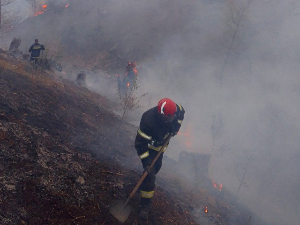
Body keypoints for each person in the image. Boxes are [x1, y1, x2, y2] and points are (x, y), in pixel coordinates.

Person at [134, 98, 185, 220]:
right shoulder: (148, 120)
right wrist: (146, 163)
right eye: (167, 119)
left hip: (160, 148)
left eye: (171, 118)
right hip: (148, 148)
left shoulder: (175, 110)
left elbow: (182, 113)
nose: (169, 121)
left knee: (157, 168)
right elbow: (140, 144)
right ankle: (145, 206)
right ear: (160, 115)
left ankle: (144, 183)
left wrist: (176, 127)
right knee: (150, 174)